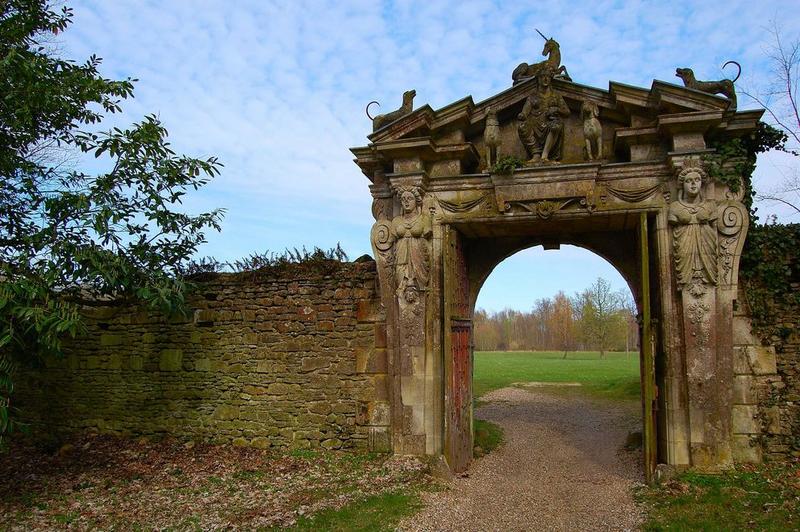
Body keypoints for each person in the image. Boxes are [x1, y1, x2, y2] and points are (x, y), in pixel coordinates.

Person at [668, 167, 718, 288]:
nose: (693, 183)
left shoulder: (710, 205)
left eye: (697, 180)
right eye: (689, 180)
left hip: (707, 246)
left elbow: (715, 230)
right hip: (684, 246)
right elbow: (672, 220)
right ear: (682, 184)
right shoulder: (675, 207)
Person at [517, 66, 570, 162]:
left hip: (551, 122)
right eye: (542, 76)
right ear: (538, 79)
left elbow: (566, 111)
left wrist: (556, 109)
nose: (545, 79)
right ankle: (536, 154)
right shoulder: (532, 96)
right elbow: (525, 111)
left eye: (548, 76)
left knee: (556, 125)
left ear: (550, 79)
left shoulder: (556, 96)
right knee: (522, 127)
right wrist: (522, 115)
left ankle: (545, 155)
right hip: (535, 123)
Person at [391, 188, 432, 298]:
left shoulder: (424, 219)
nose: (406, 202)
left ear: (417, 200)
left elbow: (428, 233)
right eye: (403, 199)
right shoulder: (396, 221)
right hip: (401, 258)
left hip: (419, 258)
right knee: (400, 286)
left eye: (410, 198)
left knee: (422, 288)